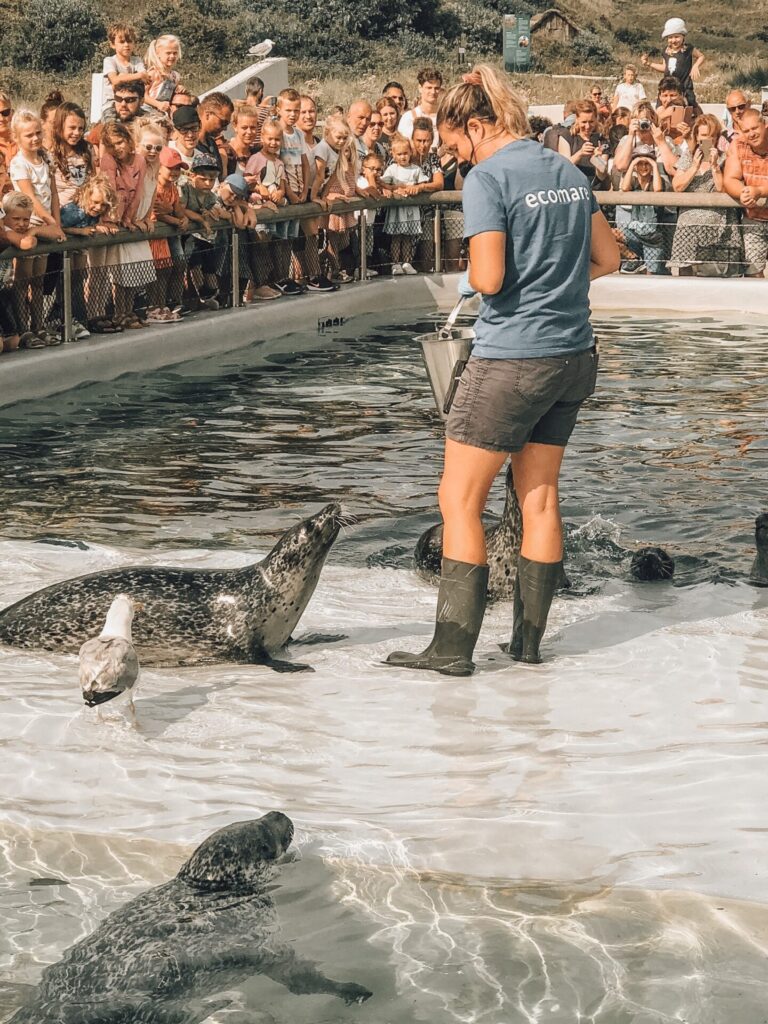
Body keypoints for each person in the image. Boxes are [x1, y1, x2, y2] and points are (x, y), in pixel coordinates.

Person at [386, 65, 619, 676]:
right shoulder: (565, 168)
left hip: (512, 357)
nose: (451, 154)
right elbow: (610, 257)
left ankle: (451, 649)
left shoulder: (487, 178)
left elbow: (487, 278)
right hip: (573, 355)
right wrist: (556, 284)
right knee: (539, 498)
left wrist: (496, 284)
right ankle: (527, 643)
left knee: (458, 499)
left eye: (454, 141)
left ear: (478, 125)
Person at [10, 109, 65, 346]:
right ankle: (24, 330)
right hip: (29, 223)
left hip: (46, 225)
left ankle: (38, 326)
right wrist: (49, 223)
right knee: (23, 281)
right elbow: (30, 197)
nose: (34, 139)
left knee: (38, 282)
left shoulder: (46, 158)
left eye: (37, 133)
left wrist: (57, 222)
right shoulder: (19, 163)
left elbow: (53, 193)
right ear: (18, 138)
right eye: (28, 135)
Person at [670, 114, 740, 276]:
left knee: (717, 277)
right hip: (688, 229)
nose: (707, 140)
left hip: (719, 228)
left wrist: (715, 167)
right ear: (696, 136)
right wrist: (694, 166)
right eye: (703, 136)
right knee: (686, 275)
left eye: (711, 137)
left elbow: (723, 189)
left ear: (716, 138)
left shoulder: (725, 158)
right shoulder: (688, 156)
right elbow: (678, 186)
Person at [723, 109, 768, 277]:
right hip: (753, 219)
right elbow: (730, 179)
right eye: (746, 131)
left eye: (755, 128)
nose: (751, 134)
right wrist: (744, 192)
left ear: (765, 125)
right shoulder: (738, 145)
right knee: (753, 272)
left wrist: (760, 191)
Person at [380, 134, 428, 275]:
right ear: (393, 155)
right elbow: (382, 182)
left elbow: (423, 183)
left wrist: (416, 188)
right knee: (396, 237)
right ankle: (395, 263)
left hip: (411, 209)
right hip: (397, 209)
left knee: (408, 237)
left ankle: (407, 262)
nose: (403, 157)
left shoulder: (415, 169)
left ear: (410, 153)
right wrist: (395, 188)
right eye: (399, 154)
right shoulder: (392, 169)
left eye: (405, 153)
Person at [613, 156, 665, 274]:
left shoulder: (657, 180)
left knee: (652, 272)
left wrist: (654, 165)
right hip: (634, 231)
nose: (644, 167)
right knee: (610, 235)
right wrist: (632, 165)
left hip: (652, 235)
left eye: (647, 164)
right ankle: (634, 259)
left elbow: (657, 190)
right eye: (640, 164)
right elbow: (625, 188)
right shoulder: (633, 180)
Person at [641, 18, 704, 110]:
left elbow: (701, 56)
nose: (673, 40)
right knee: (660, 108)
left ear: (683, 36)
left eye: (677, 37)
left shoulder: (687, 49)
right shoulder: (665, 51)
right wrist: (649, 63)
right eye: (670, 37)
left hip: (684, 86)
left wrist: (695, 66)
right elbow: (664, 67)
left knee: (690, 108)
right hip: (668, 87)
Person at [102, 23, 149, 119]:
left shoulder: (137, 61)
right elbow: (114, 80)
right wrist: (137, 76)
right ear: (112, 44)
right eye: (122, 42)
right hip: (113, 104)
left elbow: (144, 77)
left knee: (153, 119)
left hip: (133, 103)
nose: (126, 45)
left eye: (129, 41)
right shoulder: (110, 61)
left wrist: (122, 77)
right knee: (111, 125)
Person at [558, 101, 609, 188]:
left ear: (596, 119)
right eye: (584, 122)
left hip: (596, 191)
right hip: (573, 189)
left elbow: (602, 176)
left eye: (591, 122)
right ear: (577, 119)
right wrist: (580, 153)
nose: (588, 126)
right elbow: (564, 167)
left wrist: (597, 159)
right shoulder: (567, 136)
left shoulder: (602, 140)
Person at [397, 68, 443, 145]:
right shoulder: (409, 118)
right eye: (429, 88)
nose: (433, 92)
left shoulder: (444, 117)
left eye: (436, 88)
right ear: (420, 88)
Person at [195, 92, 234, 180]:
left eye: (227, 124)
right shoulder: (191, 144)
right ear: (208, 115)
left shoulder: (211, 143)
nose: (225, 128)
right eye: (223, 123)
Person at [144, 35, 183, 116]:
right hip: (148, 113)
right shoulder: (153, 74)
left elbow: (173, 97)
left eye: (175, 53)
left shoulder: (175, 76)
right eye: (168, 53)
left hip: (165, 114)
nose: (172, 56)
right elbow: (142, 96)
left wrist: (180, 90)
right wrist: (158, 104)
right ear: (158, 53)